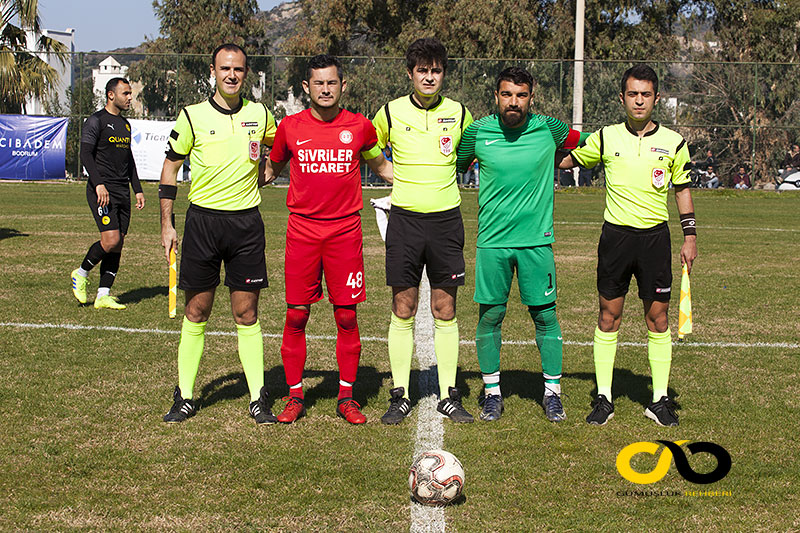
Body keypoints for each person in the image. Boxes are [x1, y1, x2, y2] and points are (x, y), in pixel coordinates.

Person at [559, 64, 698, 427]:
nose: (639, 100)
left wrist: (690, 235)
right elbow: (566, 160)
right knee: (609, 316)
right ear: (622, 98)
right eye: (633, 94)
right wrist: (538, 138)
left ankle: (659, 400)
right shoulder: (605, 137)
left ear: (655, 99)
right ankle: (603, 398)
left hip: (655, 239)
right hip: (616, 239)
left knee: (658, 318)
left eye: (646, 94)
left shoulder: (673, 142)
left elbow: (682, 188)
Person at [263, 55, 393, 425]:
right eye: (318, 83)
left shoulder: (360, 127)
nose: (325, 89)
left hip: (344, 232)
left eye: (331, 83)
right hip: (302, 231)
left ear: (342, 85)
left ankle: (347, 397)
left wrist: (422, 183)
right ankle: (294, 396)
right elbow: (270, 169)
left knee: (347, 315)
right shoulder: (290, 127)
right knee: (296, 314)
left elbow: (382, 167)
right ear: (307, 87)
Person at [456, 67, 587, 422]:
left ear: (531, 97)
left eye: (521, 95)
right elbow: (450, 164)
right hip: (493, 242)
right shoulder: (477, 132)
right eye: (507, 94)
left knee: (545, 316)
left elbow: (588, 142)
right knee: (491, 316)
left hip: (536, 242)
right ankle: (493, 393)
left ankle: (553, 393)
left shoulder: (550, 128)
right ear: (496, 96)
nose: (514, 102)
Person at [158, 43, 278, 425]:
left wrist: (270, 169)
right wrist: (167, 223)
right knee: (197, 310)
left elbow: (278, 146)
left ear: (246, 73)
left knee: (247, 313)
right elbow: (169, 170)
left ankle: (258, 398)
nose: (231, 75)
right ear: (213, 71)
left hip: (246, 224)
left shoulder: (260, 114)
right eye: (224, 68)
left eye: (238, 69)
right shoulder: (191, 116)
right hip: (203, 224)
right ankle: (186, 396)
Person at [372, 37, 475, 424]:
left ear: (443, 73)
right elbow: (370, 145)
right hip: (406, 222)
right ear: (410, 73)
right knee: (404, 307)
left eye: (436, 71)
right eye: (422, 71)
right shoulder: (390, 111)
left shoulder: (459, 112)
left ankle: (449, 393)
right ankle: (400, 393)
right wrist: (386, 172)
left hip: (446, 221)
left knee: (444, 308)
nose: (429, 77)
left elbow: (468, 153)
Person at [71, 78, 144, 310]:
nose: (130, 97)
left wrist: (138, 189)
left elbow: (128, 159)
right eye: (125, 93)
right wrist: (98, 184)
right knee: (110, 239)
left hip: (123, 190)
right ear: (111, 95)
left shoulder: (125, 125)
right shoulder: (96, 121)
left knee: (119, 243)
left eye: (130, 93)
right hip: (102, 190)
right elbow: (85, 154)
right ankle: (81, 273)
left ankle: (103, 295)